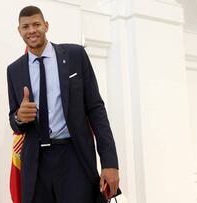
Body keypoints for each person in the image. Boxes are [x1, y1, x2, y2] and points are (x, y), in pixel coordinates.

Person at [7, 5, 119, 203]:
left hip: (73, 157)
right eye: (25, 27)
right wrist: (18, 117)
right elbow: (14, 120)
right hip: (36, 163)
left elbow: (96, 110)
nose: (31, 30)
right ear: (19, 31)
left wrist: (110, 163)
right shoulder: (14, 70)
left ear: (46, 26)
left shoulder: (75, 55)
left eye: (36, 24)